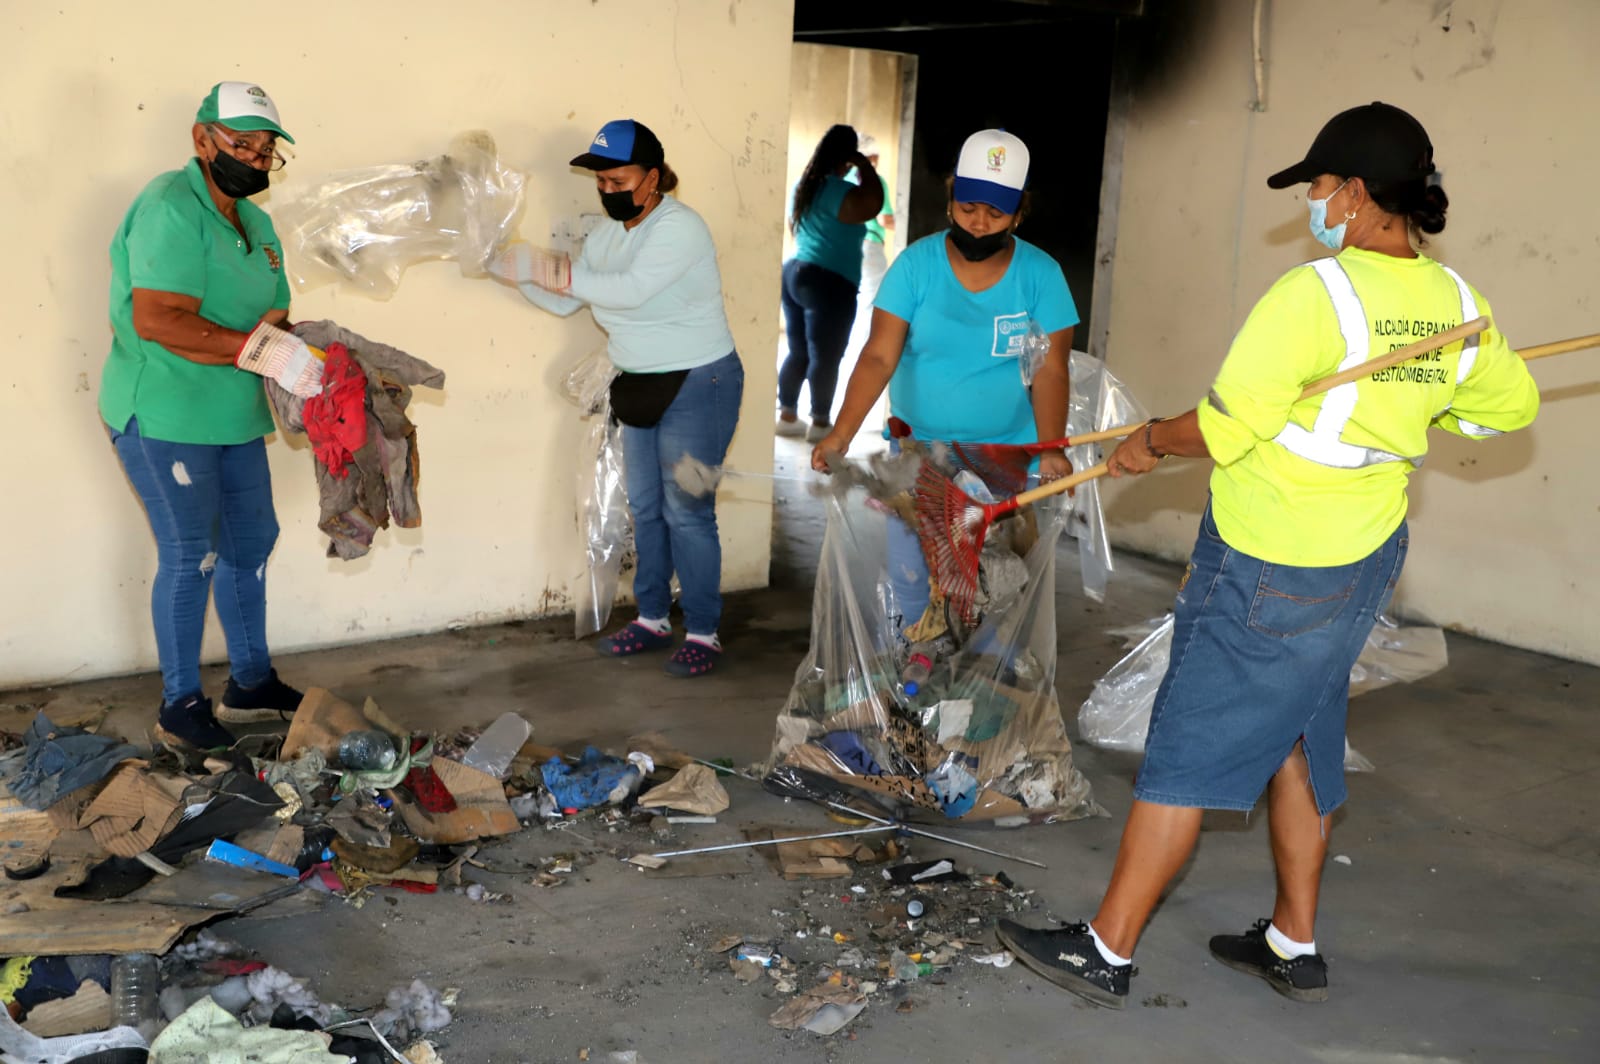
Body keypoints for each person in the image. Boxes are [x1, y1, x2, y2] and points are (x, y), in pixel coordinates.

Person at [996, 102, 1540, 1009]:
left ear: (1359, 194)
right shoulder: (1454, 305)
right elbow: (1506, 409)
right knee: (1298, 731)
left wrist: (1147, 446)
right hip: (1360, 561)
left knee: (1187, 745)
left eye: (1321, 186)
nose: (1314, 204)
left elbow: (1225, 423)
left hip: (1271, 561)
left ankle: (1106, 949)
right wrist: (1431, 402)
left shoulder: (1314, 296)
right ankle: (1292, 943)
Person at [101, 81, 314, 749]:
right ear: (202, 140)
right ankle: (179, 707)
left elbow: (274, 310)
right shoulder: (170, 206)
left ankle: (250, 683)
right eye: (241, 143)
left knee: (250, 543)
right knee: (191, 553)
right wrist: (262, 349)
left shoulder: (257, 223)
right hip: (164, 411)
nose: (254, 158)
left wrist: (303, 350)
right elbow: (158, 318)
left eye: (266, 149)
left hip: (231, 413)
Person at [491, 119, 743, 678]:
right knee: (646, 508)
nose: (609, 191)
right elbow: (566, 302)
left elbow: (625, 291)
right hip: (639, 381)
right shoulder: (607, 237)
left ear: (653, 177)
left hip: (700, 381)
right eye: (600, 183)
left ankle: (703, 630)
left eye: (619, 180)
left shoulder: (680, 228)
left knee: (688, 511)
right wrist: (505, 267)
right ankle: (653, 617)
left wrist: (544, 266)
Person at [811, 129, 1077, 630]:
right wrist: (841, 433)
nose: (979, 224)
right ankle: (923, 684)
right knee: (916, 576)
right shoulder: (916, 266)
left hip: (1005, 458)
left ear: (1019, 213)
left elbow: (1050, 369)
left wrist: (1051, 448)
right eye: (969, 207)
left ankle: (988, 693)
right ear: (951, 196)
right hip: (919, 457)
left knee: (997, 580)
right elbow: (877, 357)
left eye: (996, 213)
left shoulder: (1041, 275)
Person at [777, 125, 884, 443]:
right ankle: (821, 424)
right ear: (848, 156)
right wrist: (864, 165)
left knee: (799, 351)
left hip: (796, 273)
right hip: (830, 282)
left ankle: (787, 415)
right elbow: (873, 203)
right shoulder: (841, 191)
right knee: (827, 355)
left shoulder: (803, 186)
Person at [851, 134, 896, 305]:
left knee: (853, 299)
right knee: (871, 301)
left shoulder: (843, 178)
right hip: (870, 245)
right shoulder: (875, 182)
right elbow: (885, 220)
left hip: (847, 246)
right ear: (873, 157)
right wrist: (908, 226)